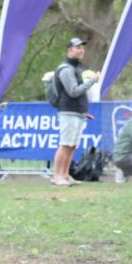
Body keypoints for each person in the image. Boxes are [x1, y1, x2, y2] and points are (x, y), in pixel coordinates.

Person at [50, 38, 98, 187]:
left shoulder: (75, 68)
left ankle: (65, 175)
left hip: (77, 112)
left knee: (72, 145)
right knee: (65, 144)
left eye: (82, 47)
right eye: (78, 47)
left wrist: (83, 112)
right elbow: (73, 91)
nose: (81, 50)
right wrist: (92, 80)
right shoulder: (66, 69)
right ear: (69, 50)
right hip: (68, 112)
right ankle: (57, 177)